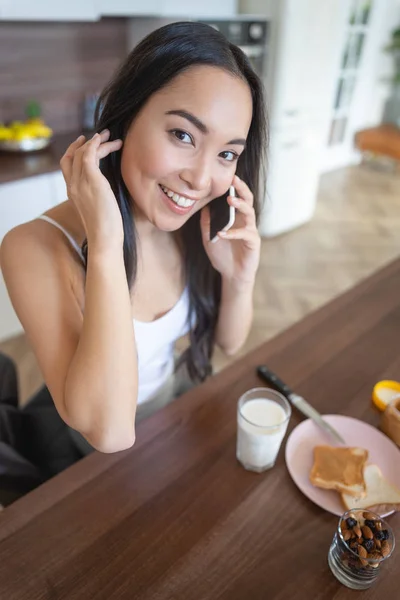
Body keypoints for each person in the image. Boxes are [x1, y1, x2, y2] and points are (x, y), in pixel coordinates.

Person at [0, 21, 267, 480]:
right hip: (91, 460)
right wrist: (105, 246)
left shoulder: (189, 223)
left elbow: (228, 342)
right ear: (125, 117)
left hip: (174, 413)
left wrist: (239, 279)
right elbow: (109, 432)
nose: (202, 180)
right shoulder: (34, 247)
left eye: (226, 153)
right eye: (183, 135)